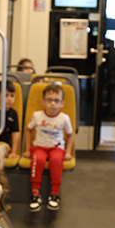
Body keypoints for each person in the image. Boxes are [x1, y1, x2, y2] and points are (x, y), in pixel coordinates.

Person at [23, 84, 75, 212]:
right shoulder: (37, 115)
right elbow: (28, 130)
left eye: (56, 100)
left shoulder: (64, 118)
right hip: (39, 147)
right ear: (43, 101)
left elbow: (70, 134)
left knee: (56, 161)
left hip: (56, 148)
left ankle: (54, 194)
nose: (52, 103)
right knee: (38, 159)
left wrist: (68, 152)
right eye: (49, 100)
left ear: (62, 103)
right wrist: (27, 149)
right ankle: (35, 193)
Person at [0, 81, 20, 161]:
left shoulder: (13, 113)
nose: (9, 99)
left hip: (4, 144)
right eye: (6, 95)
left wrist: (14, 152)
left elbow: (15, 133)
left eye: (12, 96)